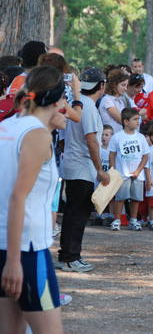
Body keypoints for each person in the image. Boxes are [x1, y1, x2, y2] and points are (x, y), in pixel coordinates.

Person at [0, 66, 65, 333]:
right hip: (26, 251)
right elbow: (18, 197)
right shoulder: (37, 135)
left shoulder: (7, 126)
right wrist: (14, 261)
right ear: (57, 101)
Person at [59, 68, 110, 272]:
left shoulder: (77, 103)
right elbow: (92, 140)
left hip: (71, 165)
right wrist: (100, 169)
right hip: (82, 168)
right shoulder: (87, 106)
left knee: (72, 213)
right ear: (102, 86)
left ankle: (67, 256)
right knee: (78, 215)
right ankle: (72, 257)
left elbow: (62, 140)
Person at [108, 108, 149, 232]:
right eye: (135, 119)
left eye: (138, 119)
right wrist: (113, 171)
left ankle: (133, 220)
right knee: (120, 198)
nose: (138, 121)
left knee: (135, 198)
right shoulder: (117, 137)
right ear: (126, 121)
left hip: (137, 174)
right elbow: (112, 155)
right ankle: (117, 219)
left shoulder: (140, 137)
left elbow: (145, 155)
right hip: (122, 173)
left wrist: (138, 171)